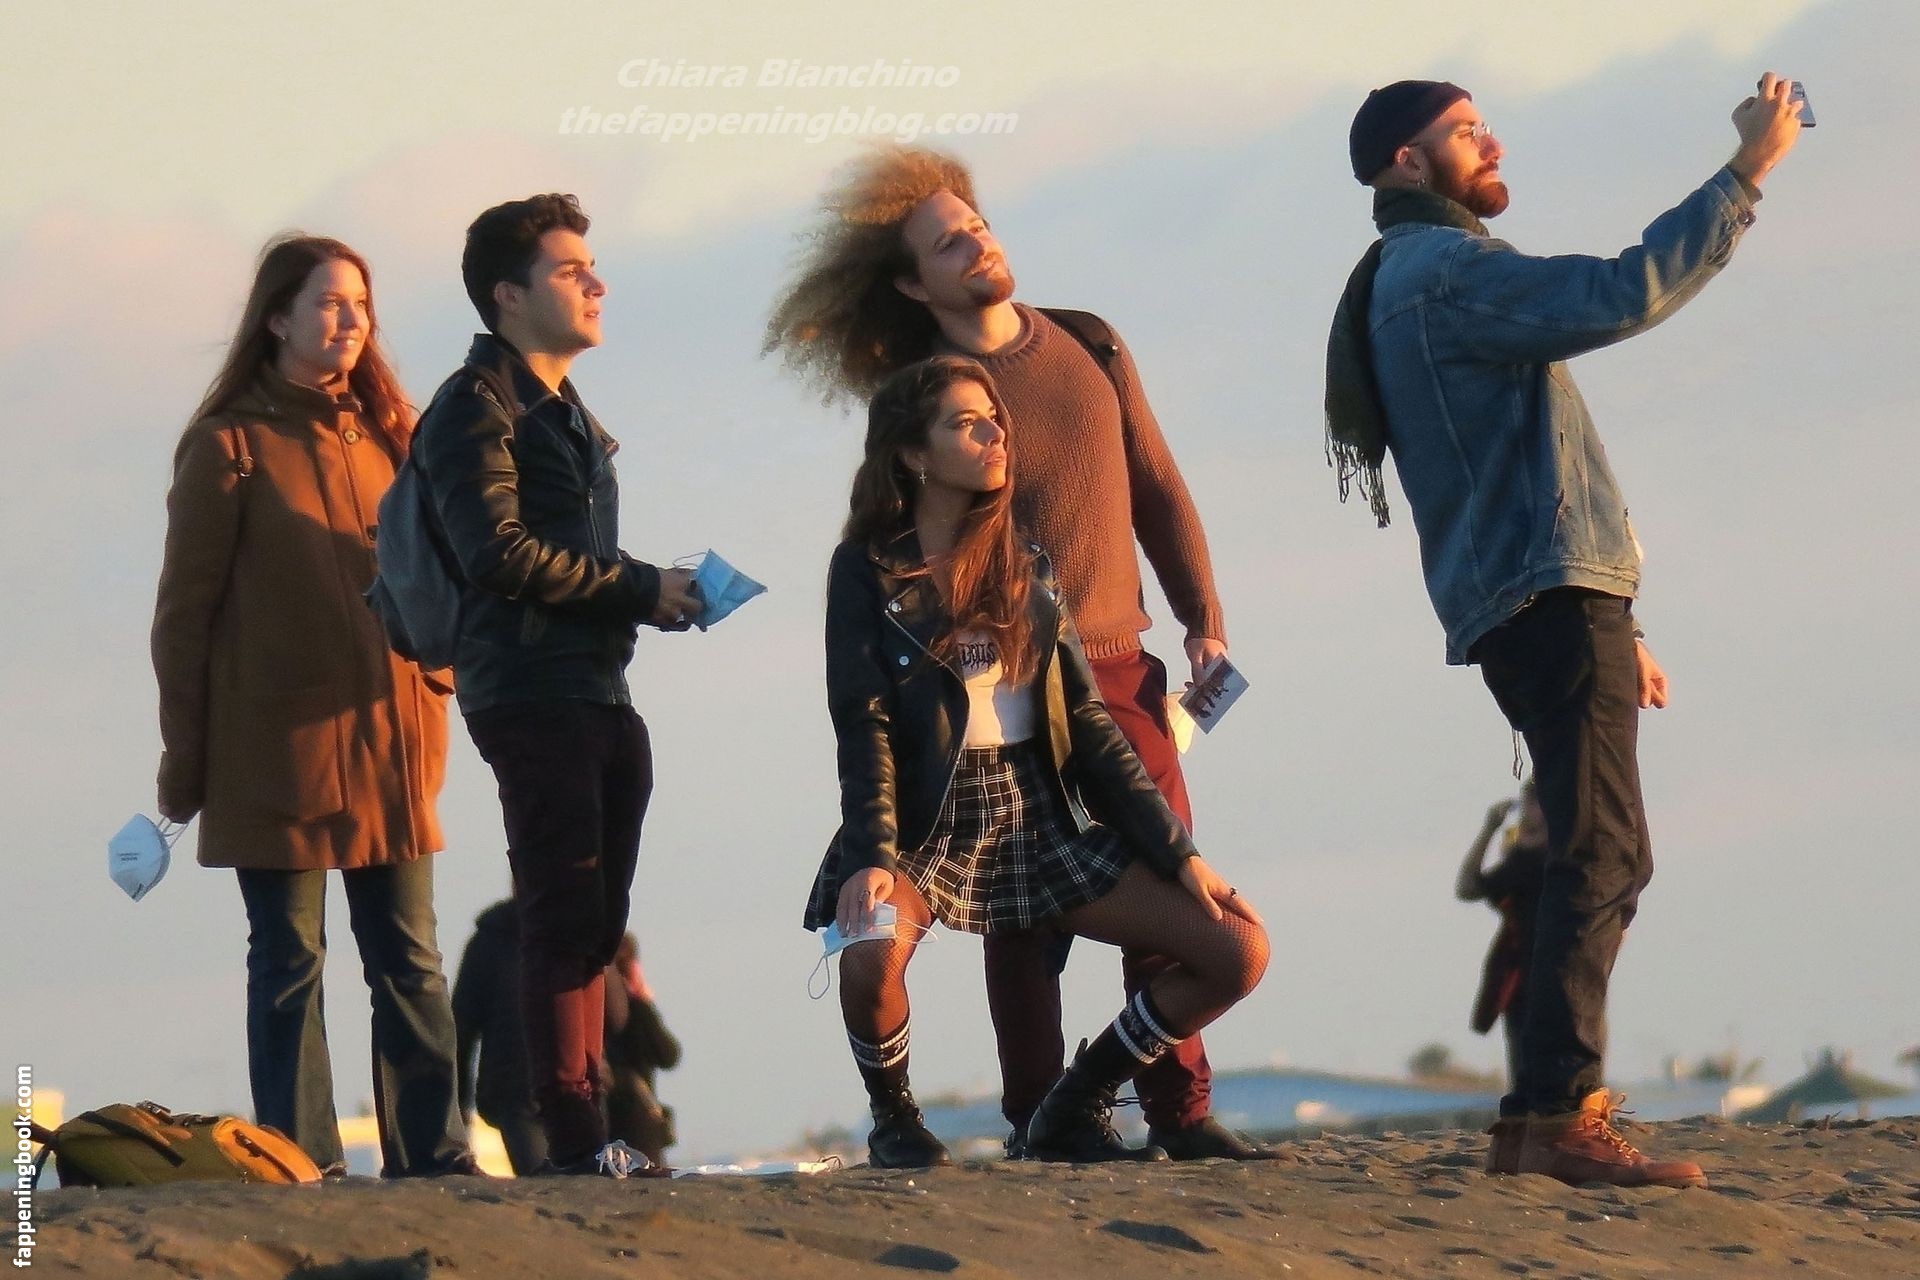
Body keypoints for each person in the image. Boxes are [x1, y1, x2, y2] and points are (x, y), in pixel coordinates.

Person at [1325, 75, 1803, 1187]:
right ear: (1406, 162)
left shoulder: (1408, 276)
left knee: (1599, 848)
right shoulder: (1442, 270)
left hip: (1546, 597)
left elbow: (1513, 470)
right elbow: (1617, 291)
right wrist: (1745, 174)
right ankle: (1556, 1115)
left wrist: (1617, 622)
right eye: (1464, 131)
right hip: (1546, 598)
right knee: (1601, 850)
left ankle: (1537, 1119)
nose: (1490, 141)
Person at [769, 148, 1263, 1161]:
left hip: (1109, 665)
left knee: (1166, 872)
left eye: (977, 226)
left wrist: (1201, 615)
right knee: (1021, 928)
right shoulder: (925, 399)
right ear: (915, 285)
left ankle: (1176, 1109)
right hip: (978, 713)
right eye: (947, 243)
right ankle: (1038, 1113)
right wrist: (873, 848)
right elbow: (865, 709)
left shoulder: (1090, 341)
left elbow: (1158, 483)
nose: (976, 245)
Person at [152, 234, 475, 1178]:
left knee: (410, 957)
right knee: (290, 960)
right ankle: (302, 1161)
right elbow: (182, 619)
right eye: (329, 303)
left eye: (360, 305)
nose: (350, 320)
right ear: (277, 318)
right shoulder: (227, 445)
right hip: (274, 748)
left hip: (394, 736)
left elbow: (445, 576)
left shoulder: (395, 433)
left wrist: (440, 679)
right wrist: (185, 762)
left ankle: (435, 1154)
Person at [417, 193, 701, 1177]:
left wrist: (656, 595)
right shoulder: (475, 404)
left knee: (597, 916)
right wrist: (640, 586)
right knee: (561, 905)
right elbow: (494, 552)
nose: (597, 283)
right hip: (526, 683)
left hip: (594, 682)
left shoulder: (569, 413)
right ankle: (578, 1137)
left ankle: (591, 1129)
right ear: (509, 294)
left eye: (593, 267)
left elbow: (558, 552)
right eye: (570, 270)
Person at [1457, 780, 1548, 1086]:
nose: (1523, 814)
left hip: (1551, 984)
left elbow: (1467, 887)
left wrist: (1491, 829)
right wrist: (1489, 830)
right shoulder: (1523, 863)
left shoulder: (1551, 861)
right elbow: (1468, 888)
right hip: (1526, 985)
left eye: (1531, 804)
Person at [604, 934, 681, 1165]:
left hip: (597, 1110)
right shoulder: (634, 1008)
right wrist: (646, 1004)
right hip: (635, 1113)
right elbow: (668, 1055)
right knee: (645, 1175)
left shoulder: (583, 1003)